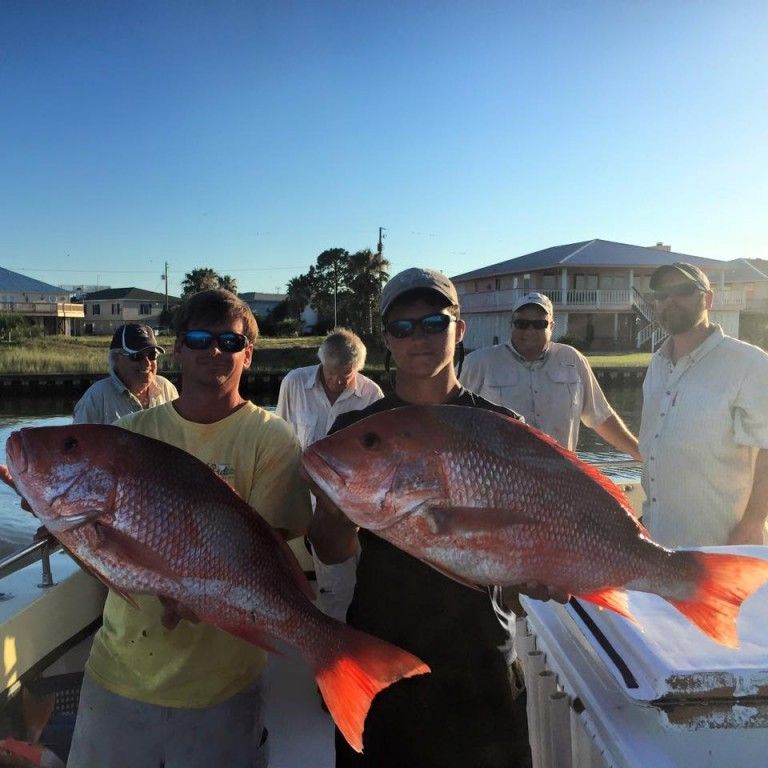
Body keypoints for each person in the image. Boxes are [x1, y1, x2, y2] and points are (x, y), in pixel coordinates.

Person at [309, 268, 563, 768]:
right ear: (386, 339)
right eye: (402, 328)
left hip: (480, 660)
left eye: (433, 323)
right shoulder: (355, 432)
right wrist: (340, 512)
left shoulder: (502, 428)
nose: (418, 338)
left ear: (459, 330)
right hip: (381, 658)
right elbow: (331, 550)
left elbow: (517, 560)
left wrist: (543, 566)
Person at [67, 289, 312, 768]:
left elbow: (266, 555)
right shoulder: (133, 432)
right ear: (178, 349)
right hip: (116, 674)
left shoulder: (271, 438)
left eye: (229, 340)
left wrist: (197, 591)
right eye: (199, 338)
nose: (213, 350)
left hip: (221, 688)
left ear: (249, 353)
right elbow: (105, 551)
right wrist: (64, 522)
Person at [639, 262, 768, 547]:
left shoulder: (749, 364)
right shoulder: (656, 366)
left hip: (721, 549)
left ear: (708, 299)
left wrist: (753, 523)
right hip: (655, 546)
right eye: (662, 294)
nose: (670, 300)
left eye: (684, 290)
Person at [276, 327, 383, 621]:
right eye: (331, 371)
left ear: (357, 369)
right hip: (311, 508)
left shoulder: (371, 394)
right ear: (321, 361)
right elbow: (281, 440)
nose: (337, 380)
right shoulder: (295, 382)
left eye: (346, 374)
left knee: (371, 587)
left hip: (359, 510)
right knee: (335, 592)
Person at [460, 291, 641, 458]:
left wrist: (640, 453)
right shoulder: (478, 362)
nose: (530, 331)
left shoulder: (573, 360)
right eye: (522, 324)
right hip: (502, 480)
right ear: (511, 325)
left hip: (560, 478)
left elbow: (600, 417)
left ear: (552, 326)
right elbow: (454, 418)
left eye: (540, 324)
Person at [73, 323, 178, 424]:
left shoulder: (167, 389)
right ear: (116, 359)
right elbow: (79, 439)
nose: (147, 363)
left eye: (152, 355)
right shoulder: (97, 397)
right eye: (137, 356)